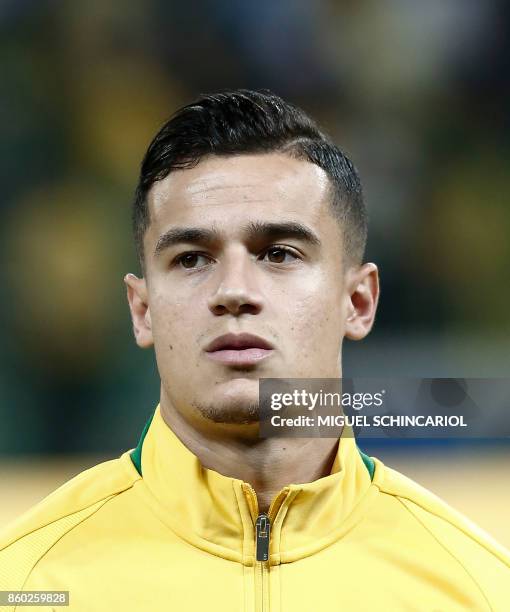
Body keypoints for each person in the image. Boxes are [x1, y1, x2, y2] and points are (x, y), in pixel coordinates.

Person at [0, 90, 508, 611]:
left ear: (356, 301)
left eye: (279, 253)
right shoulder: (27, 584)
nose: (234, 291)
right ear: (142, 310)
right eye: (193, 259)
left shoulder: (478, 590)